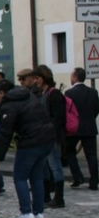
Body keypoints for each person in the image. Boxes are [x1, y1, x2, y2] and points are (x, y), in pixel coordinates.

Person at [0, 79, 55, 218]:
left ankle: (26, 212)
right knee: (36, 177)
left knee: (20, 177)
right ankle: (39, 213)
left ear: (2, 92)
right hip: (46, 138)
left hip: (29, 142)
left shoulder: (9, 104)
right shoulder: (28, 95)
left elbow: (5, 133)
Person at [34, 65, 67, 208]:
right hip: (44, 136)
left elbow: (59, 119)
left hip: (52, 137)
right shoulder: (44, 93)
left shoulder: (54, 94)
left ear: (44, 78)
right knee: (45, 167)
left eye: (37, 78)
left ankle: (59, 198)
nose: (36, 81)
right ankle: (46, 196)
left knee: (55, 166)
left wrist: (47, 130)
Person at [64, 67, 99, 190]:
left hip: (74, 129)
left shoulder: (69, 93)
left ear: (75, 77)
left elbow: (67, 112)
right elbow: (96, 109)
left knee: (70, 152)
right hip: (89, 127)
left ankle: (77, 177)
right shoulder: (93, 92)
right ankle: (94, 181)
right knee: (92, 155)